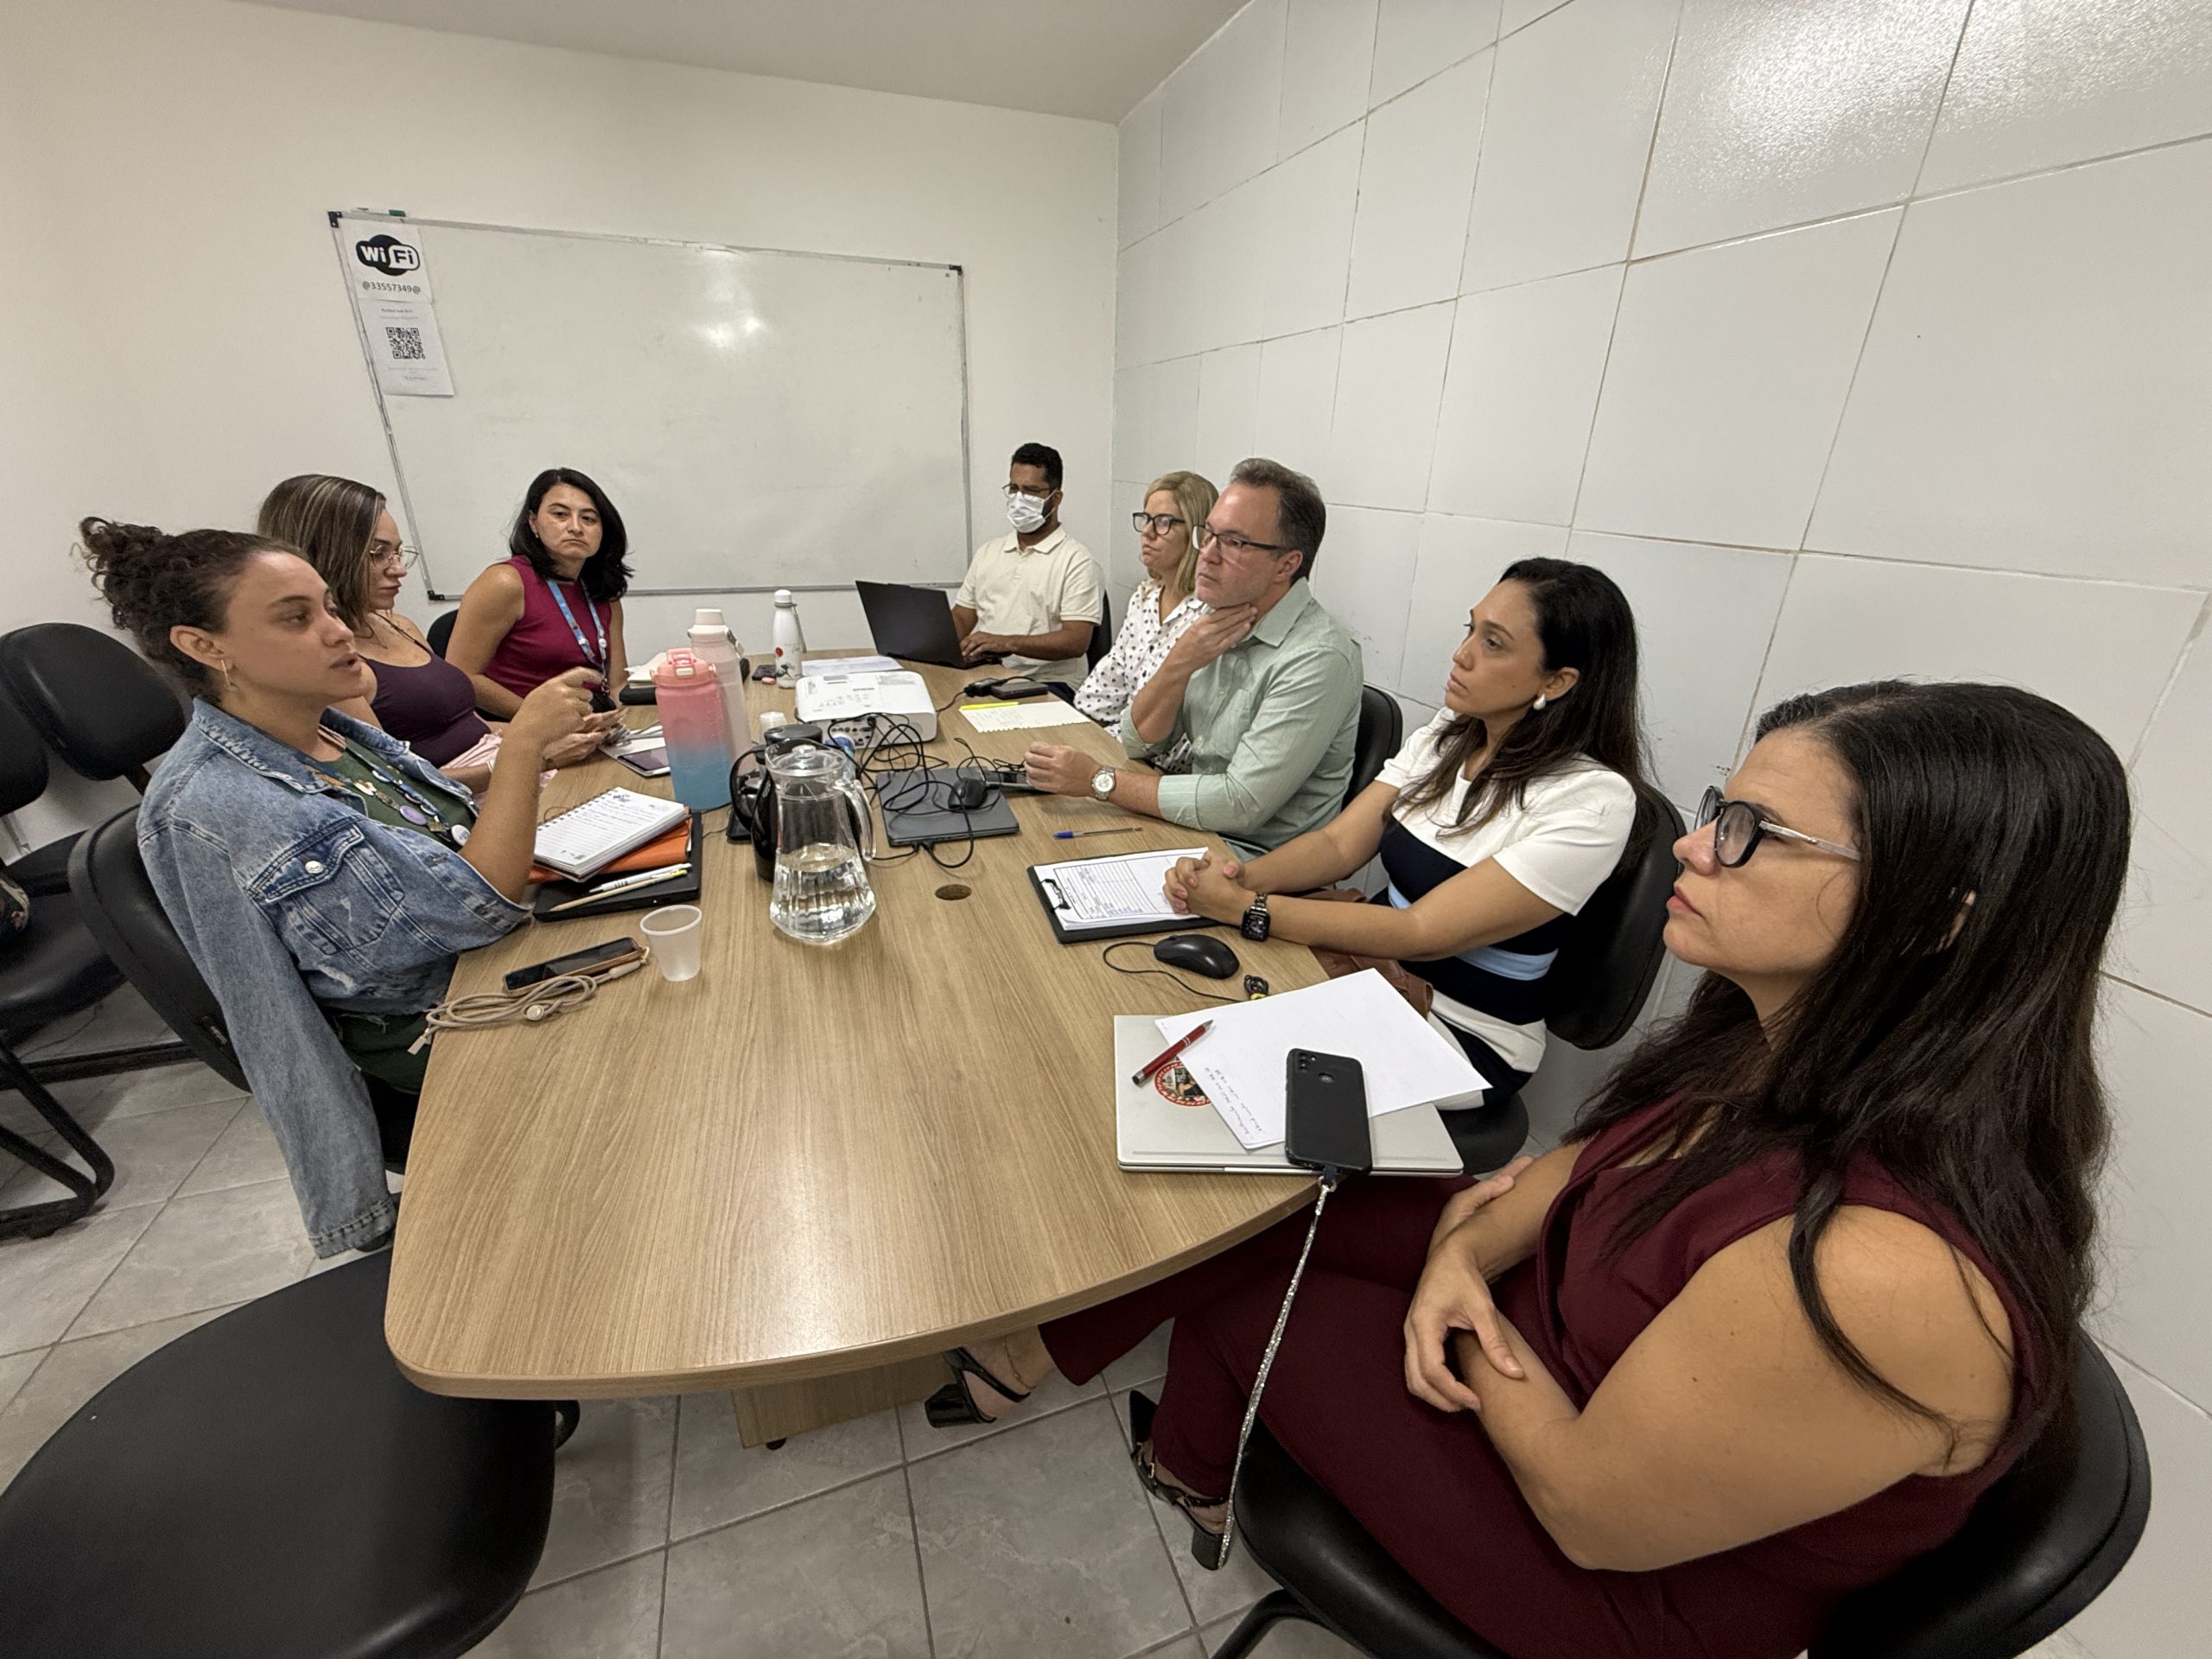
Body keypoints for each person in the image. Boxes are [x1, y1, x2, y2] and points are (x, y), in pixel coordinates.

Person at [928, 678, 2128, 1659]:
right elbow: (1558, 1184)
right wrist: (1459, 1257)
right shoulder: (1763, 1048)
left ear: (1935, 917)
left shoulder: (1885, 1270)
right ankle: (1180, 1450)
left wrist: (1457, 1311)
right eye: (1719, 806)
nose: (1693, 846)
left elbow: (1593, 1512)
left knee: (1252, 1289)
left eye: (1751, 833)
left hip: (1618, 1586)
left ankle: (1190, 1458)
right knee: (1273, 1187)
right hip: (1561, 1346)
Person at [82, 518, 597, 1256]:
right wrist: (522, 746)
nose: (338, 630)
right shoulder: (214, 805)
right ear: (204, 645)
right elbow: (472, 905)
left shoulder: (327, 729)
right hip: (450, 1032)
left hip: (500, 973)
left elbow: (442, 831)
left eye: (328, 605)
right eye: (297, 618)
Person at [1163, 558, 1650, 1096]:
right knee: (1189, 1004)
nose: (1461, 654)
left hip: (1458, 1030)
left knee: (1230, 1068)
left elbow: (1421, 932)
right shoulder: (1452, 732)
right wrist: (1237, 878)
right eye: (1471, 630)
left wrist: (1246, 909)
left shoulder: (1594, 800)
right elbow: (1338, 844)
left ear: (1558, 681)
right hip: (1371, 973)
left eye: (1493, 644)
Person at [1025, 457, 1360, 857]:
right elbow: (1139, 742)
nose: (1208, 555)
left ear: (1286, 565)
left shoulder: (1317, 657)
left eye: (1234, 543)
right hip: (1191, 832)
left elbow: (1238, 804)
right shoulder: (1218, 617)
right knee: (1034, 838)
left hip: (1250, 860)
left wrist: (1100, 780)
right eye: (1209, 535)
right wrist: (1179, 662)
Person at [255, 474, 615, 786]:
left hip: (507, 763)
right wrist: (535, 757)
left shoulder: (399, 625)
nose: (399, 569)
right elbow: (396, 785)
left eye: (398, 553)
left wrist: (552, 735)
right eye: (378, 553)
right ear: (323, 555)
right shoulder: (331, 664)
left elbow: (473, 726)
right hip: (475, 792)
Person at [448, 467, 631, 715]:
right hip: (519, 725)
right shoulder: (505, 582)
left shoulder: (604, 590)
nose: (576, 527)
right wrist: (542, 722)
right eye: (560, 514)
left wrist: (624, 724)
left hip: (590, 722)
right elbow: (462, 675)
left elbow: (617, 684)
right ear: (533, 522)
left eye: (588, 519)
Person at [950, 442, 1103, 683]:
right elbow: (962, 617)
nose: (1019, 499)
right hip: (988, 676)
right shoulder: (988, 553)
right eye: (1014, 488)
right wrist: (928, 639)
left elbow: (1076, 641)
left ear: (1056, 498)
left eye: (1031, 491)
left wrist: (1007, 643)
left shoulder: (1076, 561)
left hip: (1049, 683)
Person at [1072, 469, 1215, 725]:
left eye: (1163, 522)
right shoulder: (1145, 597)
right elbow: (1103, 688)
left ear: (1198, 534)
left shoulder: (1208, 613)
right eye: (1146, 519)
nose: (1147, 532)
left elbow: (1189, 720)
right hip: (1120, 735)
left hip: (1158, 747)